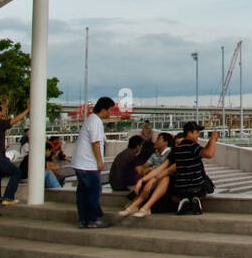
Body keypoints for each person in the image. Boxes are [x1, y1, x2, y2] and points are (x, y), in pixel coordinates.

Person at [72, 97, 115, 229]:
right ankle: (93, 220)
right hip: (88, 165)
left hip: (80, 163)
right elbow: (95, 142)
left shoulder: (90, 119)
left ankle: (83, 219)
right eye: (110, 110)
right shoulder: (96, 122)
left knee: (83, 192)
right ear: (104, 109)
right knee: (93, 191)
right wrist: (99, 161)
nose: (111, 113)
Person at [120, 132, 175, 218]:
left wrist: (149, 171)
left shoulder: (170, 153)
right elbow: (144, 167)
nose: (155, 141)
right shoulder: (155, 154)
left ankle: (137, 204)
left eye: (158, 139)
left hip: (166, 180)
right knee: (147, 174)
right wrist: (144, 170)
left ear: (166, 142)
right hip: (156, 177)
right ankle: (137, 204)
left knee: (160, 177)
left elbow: (165, 169)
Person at [169, 122, 218, 215]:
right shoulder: (192, 146)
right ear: (190, 133)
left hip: (181, 188)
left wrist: (209, 142)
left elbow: (203, 151)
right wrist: (213, 139)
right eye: (196, 133)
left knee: (185, 190)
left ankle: (185, 200)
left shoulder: (179, 147)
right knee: (209, 186)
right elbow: (209, 154)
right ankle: (196, 199)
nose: (198, 135)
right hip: (197, 186)